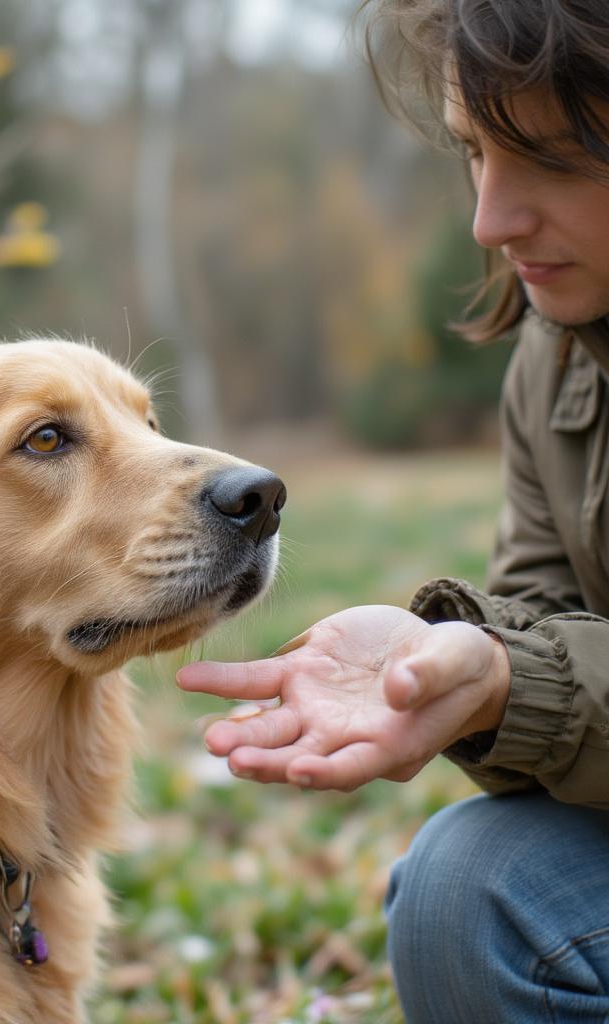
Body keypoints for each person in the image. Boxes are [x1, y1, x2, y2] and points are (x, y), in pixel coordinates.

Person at [176, 2, 609, 1021]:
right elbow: (551, 621)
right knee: (469, 890)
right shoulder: (555, 357)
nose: (490, 219)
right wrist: (478, 669)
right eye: (473, 153)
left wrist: (512, 678)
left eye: (550, 158)